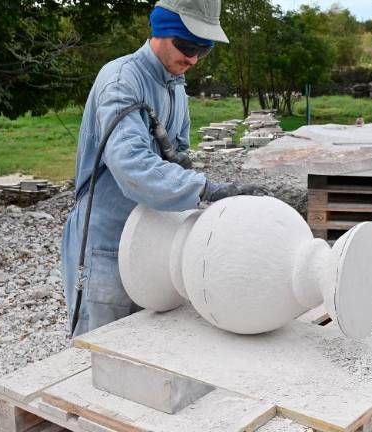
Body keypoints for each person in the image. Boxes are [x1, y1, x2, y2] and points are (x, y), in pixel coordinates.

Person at [62, 0, 265, 336]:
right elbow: (132, 166)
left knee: (145, 344)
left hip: (152, 236)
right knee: (99, 350)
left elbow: (179, 154)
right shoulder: (122, 81)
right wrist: (203, 189)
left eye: (205, 49)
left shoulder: (175, 85)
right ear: (160, 30)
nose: (194, 58)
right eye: (186, 45)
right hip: (105, 241)